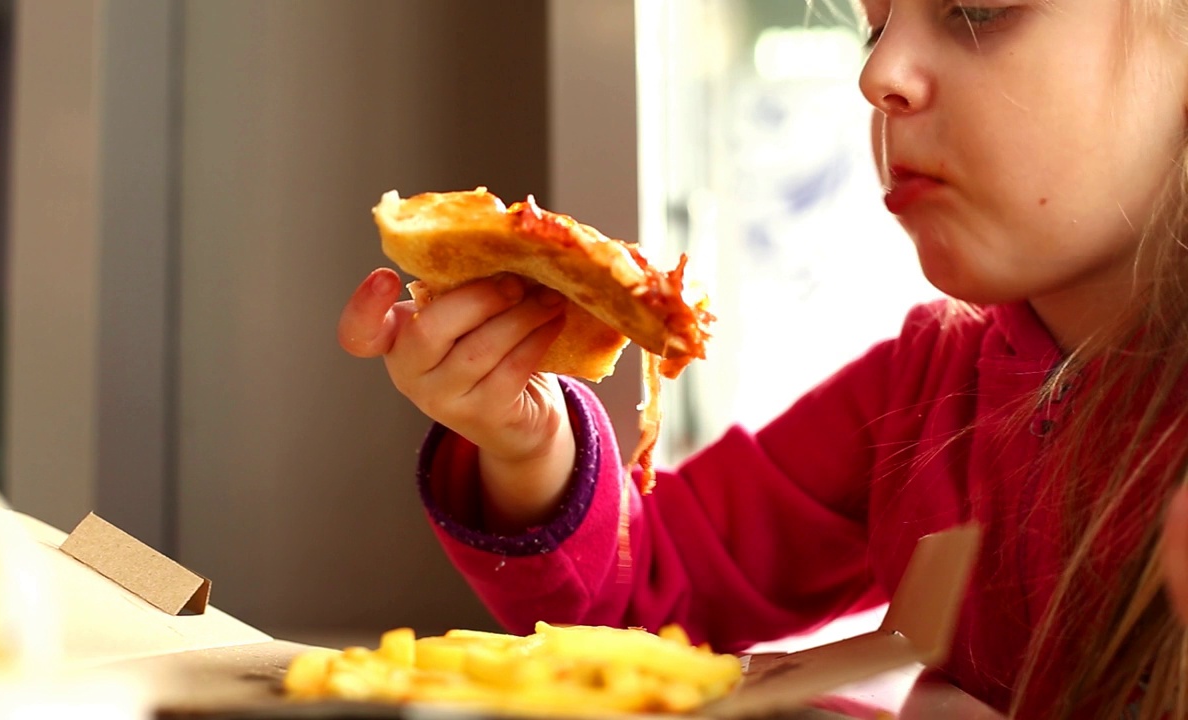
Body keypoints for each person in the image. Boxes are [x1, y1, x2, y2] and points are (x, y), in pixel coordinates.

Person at [338, 0, 1188, 717]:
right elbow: (645, 609)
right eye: (872, 27)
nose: (878, 73)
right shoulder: (926, 384)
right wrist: (528, 443)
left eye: (975, 9)